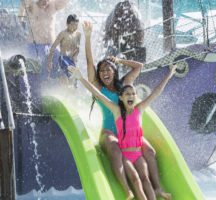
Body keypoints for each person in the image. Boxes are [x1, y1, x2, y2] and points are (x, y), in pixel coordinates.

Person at [82, 21, 170, 200]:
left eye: (108, 70)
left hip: (129, 133)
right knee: (114, 147)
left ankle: (158, 188)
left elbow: (139, 66)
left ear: (114, 72)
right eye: (102, 71)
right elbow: (90, 63)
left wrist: (119, 60)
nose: (104, 73)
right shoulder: (100, 88)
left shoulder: (125, 85)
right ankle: (127, 190)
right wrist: (88, 37)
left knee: (150, 151)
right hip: (110, 132)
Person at [69, 65, 176, 200]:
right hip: (125, 155)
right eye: (127, 94)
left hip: (138, 154)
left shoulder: (139, 109)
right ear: (121, 98)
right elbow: (98, 94)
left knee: (145, 179)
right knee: (136, 180)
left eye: (133, 94)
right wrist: (81, 78)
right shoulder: (117, 111)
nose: (130, 96)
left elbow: (156, 92)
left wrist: (169, 75)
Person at [18, 0, 70, 79]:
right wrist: (20, 21)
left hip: (52, 46)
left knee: (64, 66)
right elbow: (21, 12)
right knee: (35, 72)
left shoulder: (54, 5)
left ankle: (62, 86)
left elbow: (65, 1)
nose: (46, 2)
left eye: (47, 0)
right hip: (34, 46)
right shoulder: (31, 5)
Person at [48, 14, 81, 83]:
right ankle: (62, 89)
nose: (74, 27)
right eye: (72, 24)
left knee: (75, 80)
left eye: (76, 25)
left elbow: (77, 48)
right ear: (67, 24)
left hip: (72, 60)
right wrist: (49, 61)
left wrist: (75, 56)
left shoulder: (78, 34)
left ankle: (69, 91)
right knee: (68, 76)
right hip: (63, 58)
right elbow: (53, 47)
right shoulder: (63, 34)